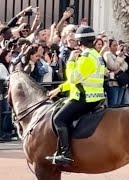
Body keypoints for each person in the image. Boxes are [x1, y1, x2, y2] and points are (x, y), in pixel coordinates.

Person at [46, 25, 106, 165]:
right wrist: (60, 88)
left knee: (58, 119)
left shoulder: (85, 58)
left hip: (85, 98)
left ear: (79, 42)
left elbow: (73, 78)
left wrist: (71, 62)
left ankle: (66, 154)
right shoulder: (96, 55)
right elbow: (80, 80)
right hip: (95, 96)